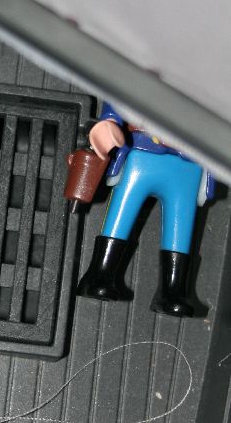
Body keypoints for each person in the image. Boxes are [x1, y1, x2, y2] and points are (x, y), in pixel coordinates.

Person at [77, 103, 215, 316]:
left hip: (189, 162)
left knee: (180, 225)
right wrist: (110, 122)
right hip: (143, 151)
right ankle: (99, 273)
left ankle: (173, 289)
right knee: (122, 212)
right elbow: (120, 96)